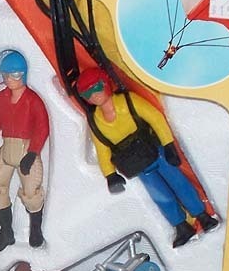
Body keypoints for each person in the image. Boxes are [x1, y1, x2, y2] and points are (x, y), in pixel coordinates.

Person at [75, 68, 219, 247]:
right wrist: (110, 174)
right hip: (137, 164)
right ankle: (180, 225)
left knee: (179, 183)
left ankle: (202, 215)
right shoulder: (96, 122)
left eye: (96, 87)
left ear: (105, 83)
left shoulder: (128, 101)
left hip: (155, 151)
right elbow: (102, 149)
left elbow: (155, 119)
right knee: (160, 195)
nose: (94, 95)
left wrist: (168, 145)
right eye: (87, 93)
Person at [0, 50, 50, 253]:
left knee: (31, 190)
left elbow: (42, 127)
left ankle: (35, 229)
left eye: (15, 75)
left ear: (24, 75)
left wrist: (33, 152)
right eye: (6, 75)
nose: (9, 79)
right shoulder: (2, 97)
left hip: (26, 148)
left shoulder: (33, 99)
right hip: (7, 147)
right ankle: (6, 232)